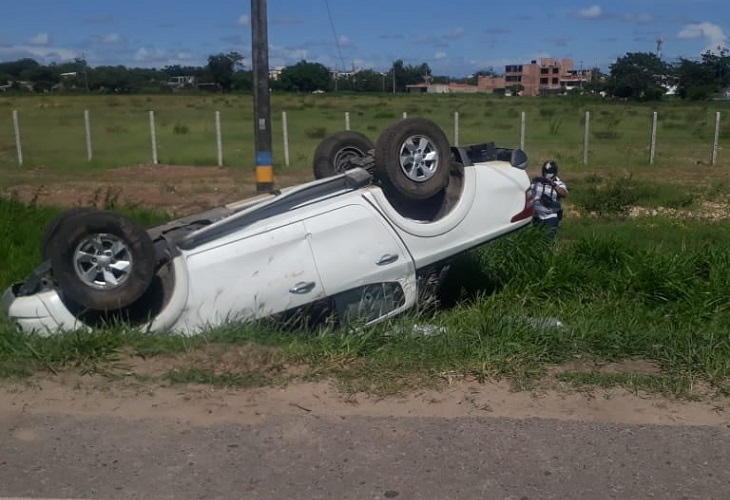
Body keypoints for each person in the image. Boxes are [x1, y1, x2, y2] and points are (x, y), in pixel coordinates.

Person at [531, 160, 568, 240]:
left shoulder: (559, 184)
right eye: (546, 172)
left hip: (550, 217)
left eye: (550, 173)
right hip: (537, 217)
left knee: (547, 240)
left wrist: (553, 184)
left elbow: (564, 194)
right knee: (536, 240)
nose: (547, 175)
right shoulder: (537, 181)